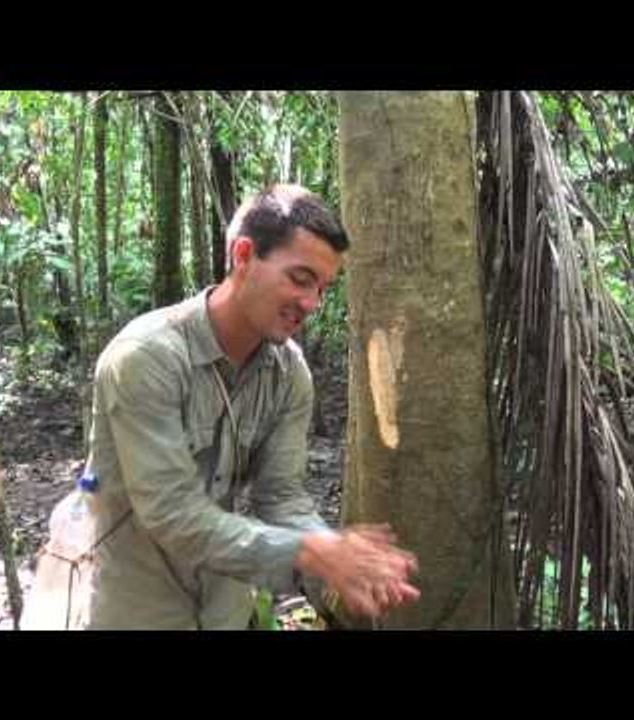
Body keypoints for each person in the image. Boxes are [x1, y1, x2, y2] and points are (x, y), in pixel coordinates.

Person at [82, 183, 420, 629]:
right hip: (138, 610)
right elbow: (171, 512)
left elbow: (280, 495)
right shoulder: (146, 359)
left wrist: (337, 556)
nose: (312, 303)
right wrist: (311, 553)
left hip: (228, 610)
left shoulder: (288, 374)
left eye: (322, 288)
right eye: (300, 279)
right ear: (243, 256)